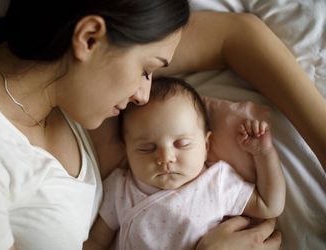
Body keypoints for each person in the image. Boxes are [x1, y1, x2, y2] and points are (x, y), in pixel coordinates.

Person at [0, 0, 323, 249]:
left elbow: (236, 34)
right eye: (147, 70)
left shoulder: (64, 85)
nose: (143, 96)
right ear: (90, 37)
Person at [83, 77, 286, 250]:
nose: (165, 157)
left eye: (182, 144)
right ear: (126, 150)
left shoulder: (217, 183)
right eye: (147, 148)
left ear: (206, 145)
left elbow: (269, 206)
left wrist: (264, 154)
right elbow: (96, 243)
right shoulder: (120, 188)